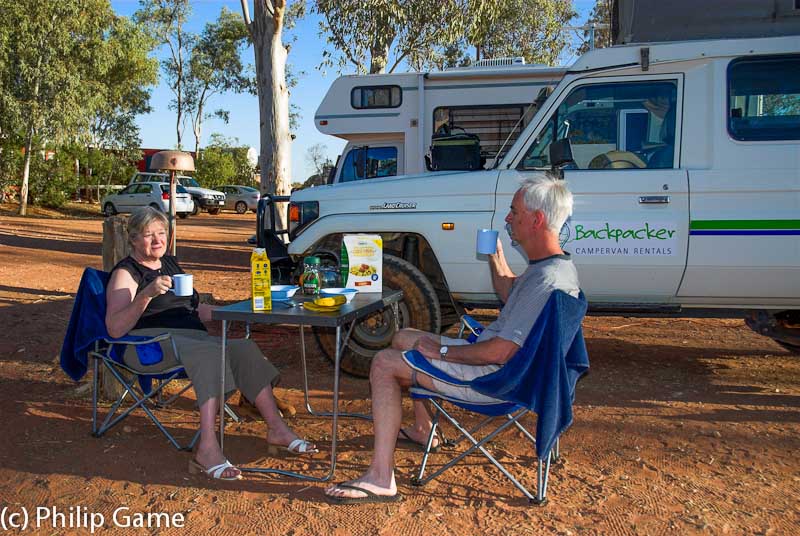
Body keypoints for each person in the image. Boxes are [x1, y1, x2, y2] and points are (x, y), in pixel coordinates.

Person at [325, 174, 580, 503]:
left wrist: (442, 350)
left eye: (513, 212)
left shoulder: (546, 279)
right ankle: (422, 429)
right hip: (521, 370)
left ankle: (381, 477)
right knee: (404, 337)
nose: (507, 218)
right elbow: (512, 296)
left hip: (497, 380)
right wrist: (496, 256)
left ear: (537, 219)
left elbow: (500, 352)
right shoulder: (554, 268)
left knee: (384, 363)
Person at [105, 206, 316, 481]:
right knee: (210, 352)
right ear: (133, 239)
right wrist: (145, 295)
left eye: (161, 233)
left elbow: (196, 309)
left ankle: (276, 427)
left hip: (192, 338)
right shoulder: (127, 273)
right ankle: (207, 447)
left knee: (242, 347)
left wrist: (237, 312)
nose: (157, 240)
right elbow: (115, 328)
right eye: (148, 235)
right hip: (149, 345)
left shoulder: (169, 263)